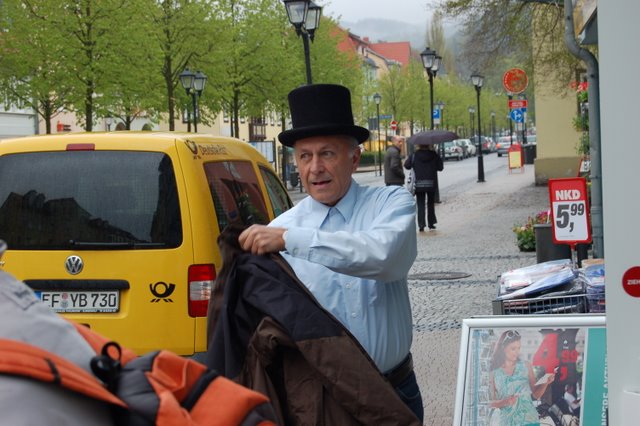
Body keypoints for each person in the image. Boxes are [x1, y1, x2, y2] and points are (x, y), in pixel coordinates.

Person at [237, 84, 423, 422]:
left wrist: (292, 240)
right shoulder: (282, 228)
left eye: (327, 154)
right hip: (326, 401)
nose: (315, 168)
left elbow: (384, 257)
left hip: (396, 390)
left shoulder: (389, 203)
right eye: (305, 156)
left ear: (354, 158)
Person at [489, 330, 555, 426]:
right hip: (506, 422)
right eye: (513, 349)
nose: (517, 352)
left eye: (519, 348)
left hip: (529, 420)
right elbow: (489, 402)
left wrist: (545, 383)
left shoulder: (526, 366)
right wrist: (504, 402)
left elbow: (536, 395)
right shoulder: (494, 373)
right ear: (503, 348)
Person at [404, 143, 443, 232]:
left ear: (419, 145)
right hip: (431, 183)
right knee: (430, 203)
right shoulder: (434, 154)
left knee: (420, 203)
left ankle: (421, 225)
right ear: (428, 145)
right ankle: (431, 223)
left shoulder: (414, 155)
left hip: (419, 184)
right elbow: (440, 167)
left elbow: (406, 165)